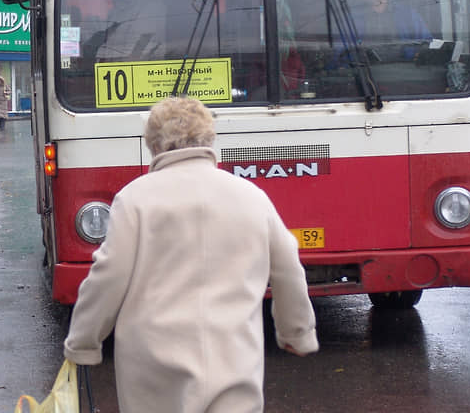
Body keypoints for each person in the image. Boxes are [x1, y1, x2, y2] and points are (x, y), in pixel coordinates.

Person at [64, 96, 318, 413]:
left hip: (153, 369)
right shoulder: (251, 197)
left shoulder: (135, 199)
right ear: (210, 139)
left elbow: (109, 276)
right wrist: (297, 332)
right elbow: (287, 268)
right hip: (233, 358)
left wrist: (84, 341)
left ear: (154, 145)